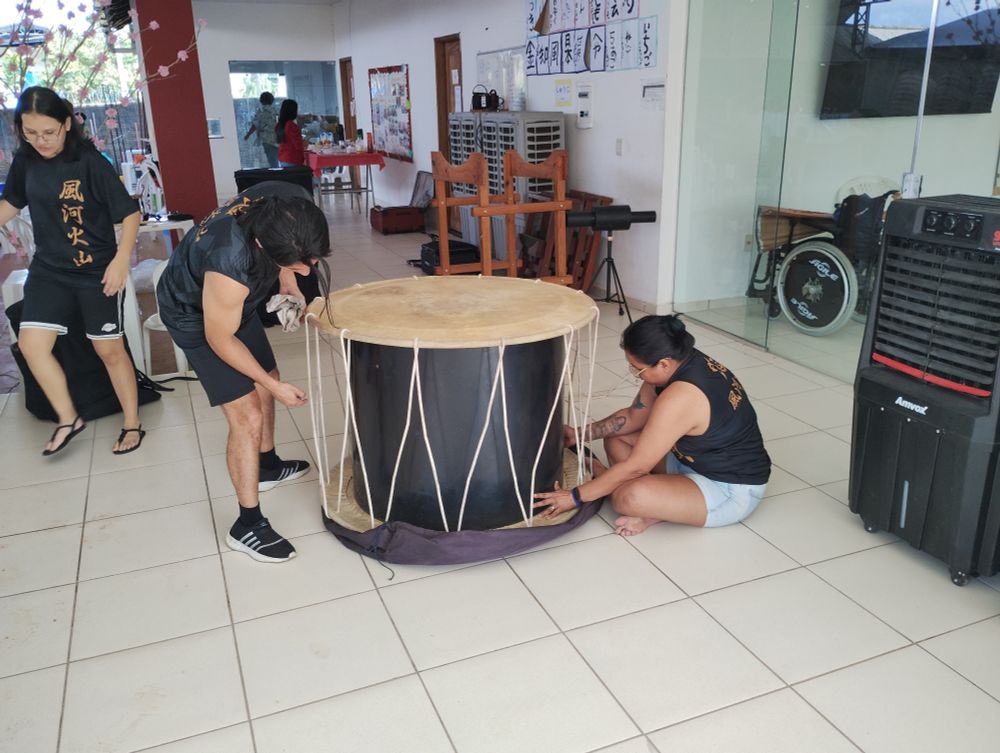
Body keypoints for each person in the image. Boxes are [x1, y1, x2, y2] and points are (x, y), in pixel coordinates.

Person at [156, 181, 331, 563]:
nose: (309, 268)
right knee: (248, 413)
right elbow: (220, 338)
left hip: (239, 302)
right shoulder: (229, 265)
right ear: (265, 247)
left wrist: (290, 281)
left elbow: (292, 251)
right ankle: (247, 524)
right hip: (196, 315)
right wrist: (273, 386)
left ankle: (267, 466)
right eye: (300, 263)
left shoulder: (291, 200)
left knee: (268, 372)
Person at [0, 86, 144, 456]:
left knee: (108, 351)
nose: (40, 141)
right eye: (30, 133)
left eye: (48, 132)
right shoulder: (26, 161)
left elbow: (130, 214)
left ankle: (132, 422)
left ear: (66, 123)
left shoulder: (89, 162)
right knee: (32, 347)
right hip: (49, 271)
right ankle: (69, 418)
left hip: (96, 271)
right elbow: (11, 204)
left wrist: (119, 261)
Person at [534, 315, 770, 535]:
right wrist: (578, 434)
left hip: (728, 488)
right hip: (689, 459)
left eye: (638, 369)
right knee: (617, 438)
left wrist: (574, 497)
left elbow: (637, 466)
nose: (636, 374)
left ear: (663, 364)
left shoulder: (683, 396)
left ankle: (643, 503)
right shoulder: (680, 362)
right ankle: (658, 501)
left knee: (626, 498)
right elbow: (633, 416)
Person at [244, 91, 279, 168]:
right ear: (272, 100)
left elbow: (255, 125)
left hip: (266, 140)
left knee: (272, 161)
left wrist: (248, 135)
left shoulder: (260, 112)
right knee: (277, 158)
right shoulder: (276, 111)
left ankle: (275, 174)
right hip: (278, 139)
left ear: (261, 101)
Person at [275, 99, 304, 167]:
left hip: (282, 159)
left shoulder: (279, 125)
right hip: (293, 159)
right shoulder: (291, 125)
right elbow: (298, 145)